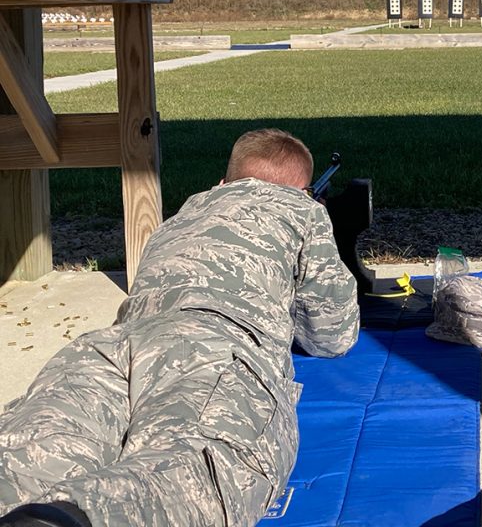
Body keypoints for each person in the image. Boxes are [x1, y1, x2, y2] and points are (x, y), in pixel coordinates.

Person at [0, 128, 360, 527]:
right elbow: (332, 334)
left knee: (34, 445)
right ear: (302, 191)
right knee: (199, 467)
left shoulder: (185, 213)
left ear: (223, 182)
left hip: (112, 345)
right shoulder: (302, 210)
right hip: (214, 350)